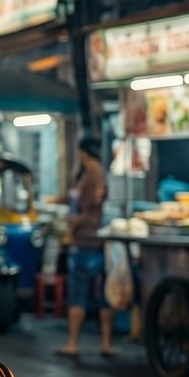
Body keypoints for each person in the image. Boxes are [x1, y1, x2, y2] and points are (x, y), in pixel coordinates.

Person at [59, 137, 115, 359]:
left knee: (79, 293)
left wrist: (71, 223)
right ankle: (106, 344)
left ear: (83, 153)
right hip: (96, 241)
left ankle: (73, 343)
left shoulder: (92, 174)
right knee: (103, 294)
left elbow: (88, 212)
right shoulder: (96, 173)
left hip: (85, 241)